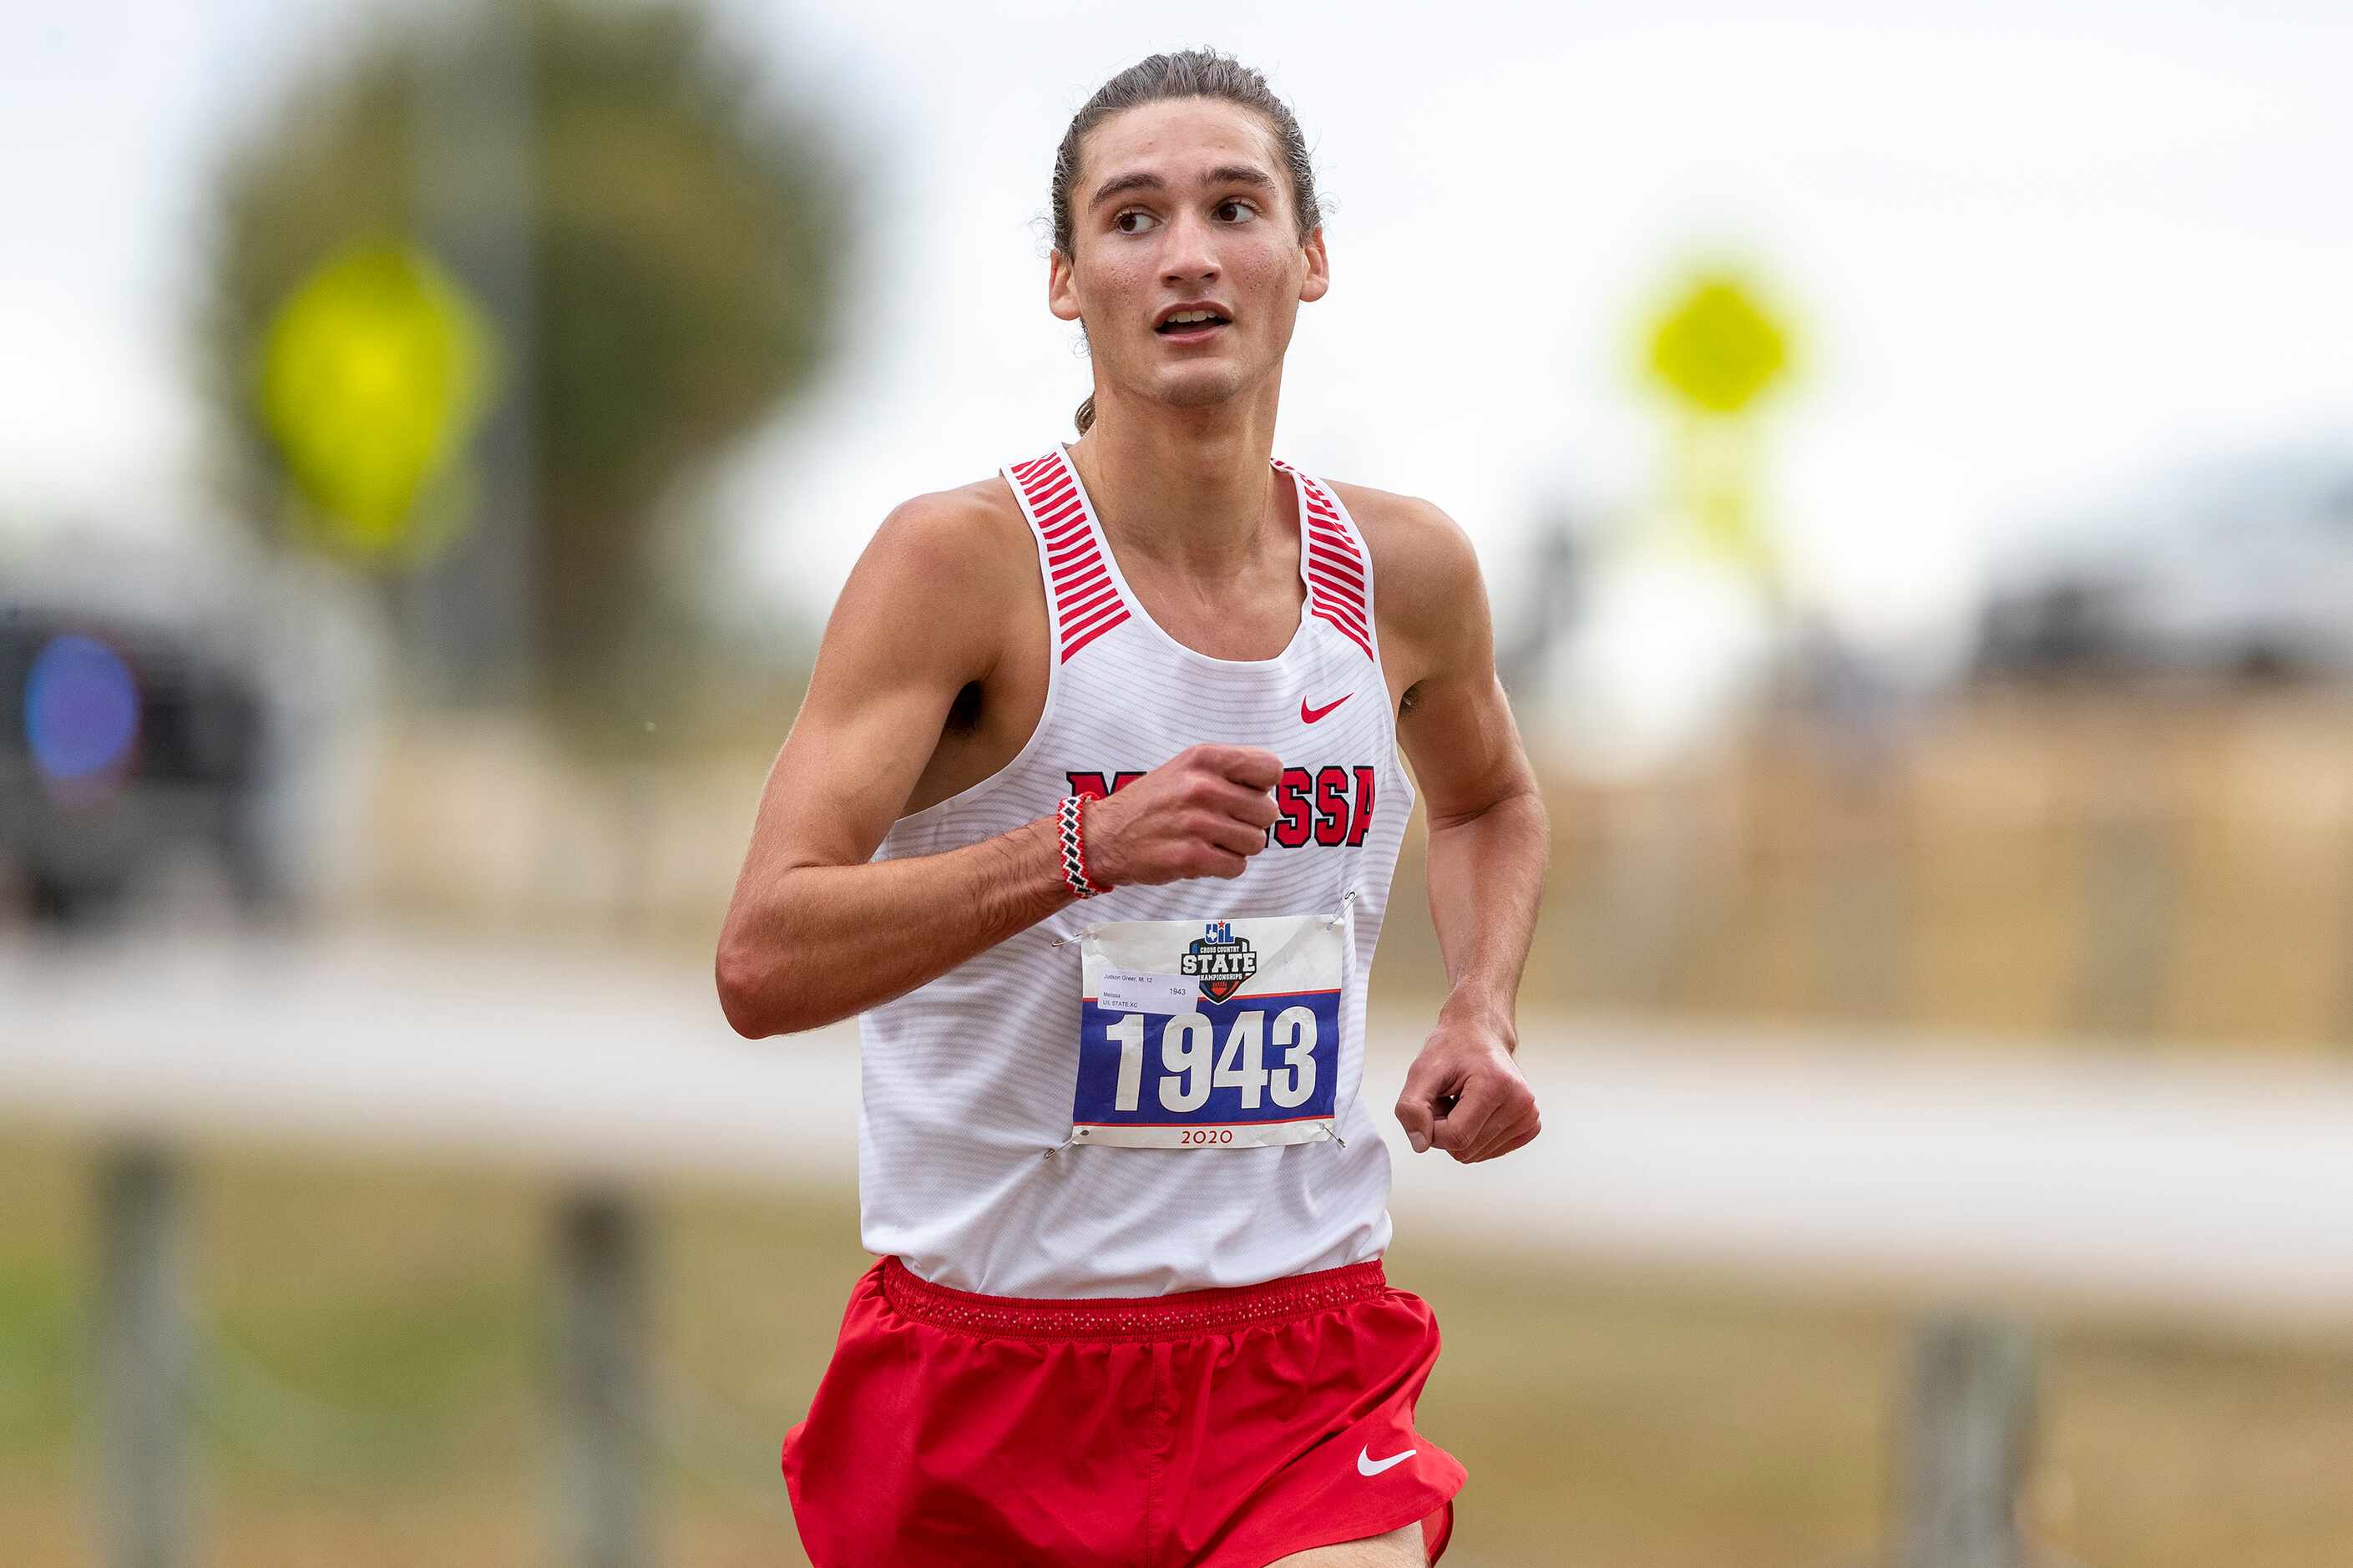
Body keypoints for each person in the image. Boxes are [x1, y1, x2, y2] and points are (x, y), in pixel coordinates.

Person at [716, 47, 1547, 1568]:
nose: (1186, 254)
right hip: (990, 1365)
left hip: (1301, 1353)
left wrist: (1480, 1008)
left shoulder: (1403, 574)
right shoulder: (963, 568)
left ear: (1306, 260)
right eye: (1131, 217)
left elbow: (1488, 799)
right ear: (1063, 278)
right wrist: (1079, 848)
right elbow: (763, 957)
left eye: (1234, 207)